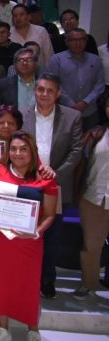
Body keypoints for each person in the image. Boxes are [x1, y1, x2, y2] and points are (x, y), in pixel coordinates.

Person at [0, 131, 57, 341]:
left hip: (28, 242)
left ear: (32, 152)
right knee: (0, 282)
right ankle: (2, 328)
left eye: (23, 149)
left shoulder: (45, 178)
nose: (17, 154)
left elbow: (49, 214)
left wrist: (36, 233)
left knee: (28, 286)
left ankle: (33, 331)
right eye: (13, 149)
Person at [21, 73, 82, 300]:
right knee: (25, 233)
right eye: (40, 89)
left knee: (52, 235)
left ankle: (47, 278)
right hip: (27, 183)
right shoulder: (23, 114)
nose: (44, 94)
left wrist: (57, 173)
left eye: (49, 90)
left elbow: (76, 150)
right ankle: (27, 277)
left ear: (58, 94)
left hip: (56, 185)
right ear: (35, 91)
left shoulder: (72, 117)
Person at [74, 96, 109, 300]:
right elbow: (83, 164)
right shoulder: (96, 134)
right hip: (94, 197)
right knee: (91, 246)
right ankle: (89, 284)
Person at [47, 29, 104, 130]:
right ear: (67, 42)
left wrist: (86, 101)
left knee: (91, 142)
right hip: (64, 111)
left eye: (82, 39)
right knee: (64, 143)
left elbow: (99, 85)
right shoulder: (56, 59)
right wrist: (71, 103)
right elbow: (54, 84)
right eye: (73, 40)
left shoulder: (95, 60)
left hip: (90, 111)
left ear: (86, 41)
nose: (78, 43)